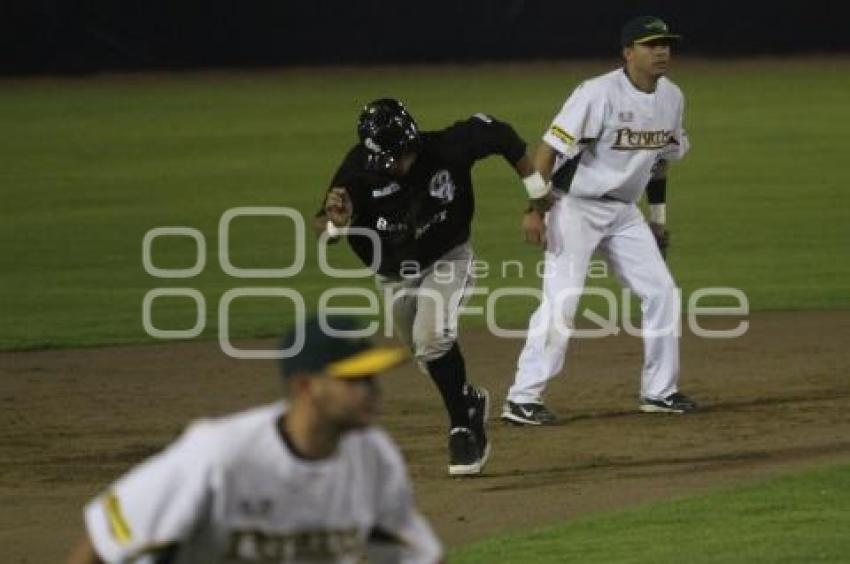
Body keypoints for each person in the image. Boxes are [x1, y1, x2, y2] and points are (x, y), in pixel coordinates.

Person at [67, 314, 443, 564]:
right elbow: (103, 541)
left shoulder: (373, 457)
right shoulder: (219, 455)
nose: (372, 391)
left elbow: (416, 555)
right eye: (354, 380)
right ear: (305, 386)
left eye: (373, 378)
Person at [316, 99, 554, 475]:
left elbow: (505, 137)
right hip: (392, 274)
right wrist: (335, 225)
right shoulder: (359, 167)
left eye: (397, 157)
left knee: (433, 339)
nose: (391, 166)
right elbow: (325, 229)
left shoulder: (449, 147)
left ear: (411, 143)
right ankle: (469, 400)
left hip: (448, 257)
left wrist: (537, 193)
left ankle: (463, 427)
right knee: (425, 355)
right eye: (384, 159)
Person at [501, 16, 697, 426]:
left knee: (661, 292)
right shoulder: (597, 93)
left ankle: (659, 392)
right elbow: (549, 149)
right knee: (563, 301)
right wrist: (535, 209)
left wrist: (657, 219)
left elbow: (660, 162)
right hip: (574, 207)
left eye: (665, 43)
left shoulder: (672, 97)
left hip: (625, 212)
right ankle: (522, 398)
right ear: (628, 53)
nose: (661, 51)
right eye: (650, 44)